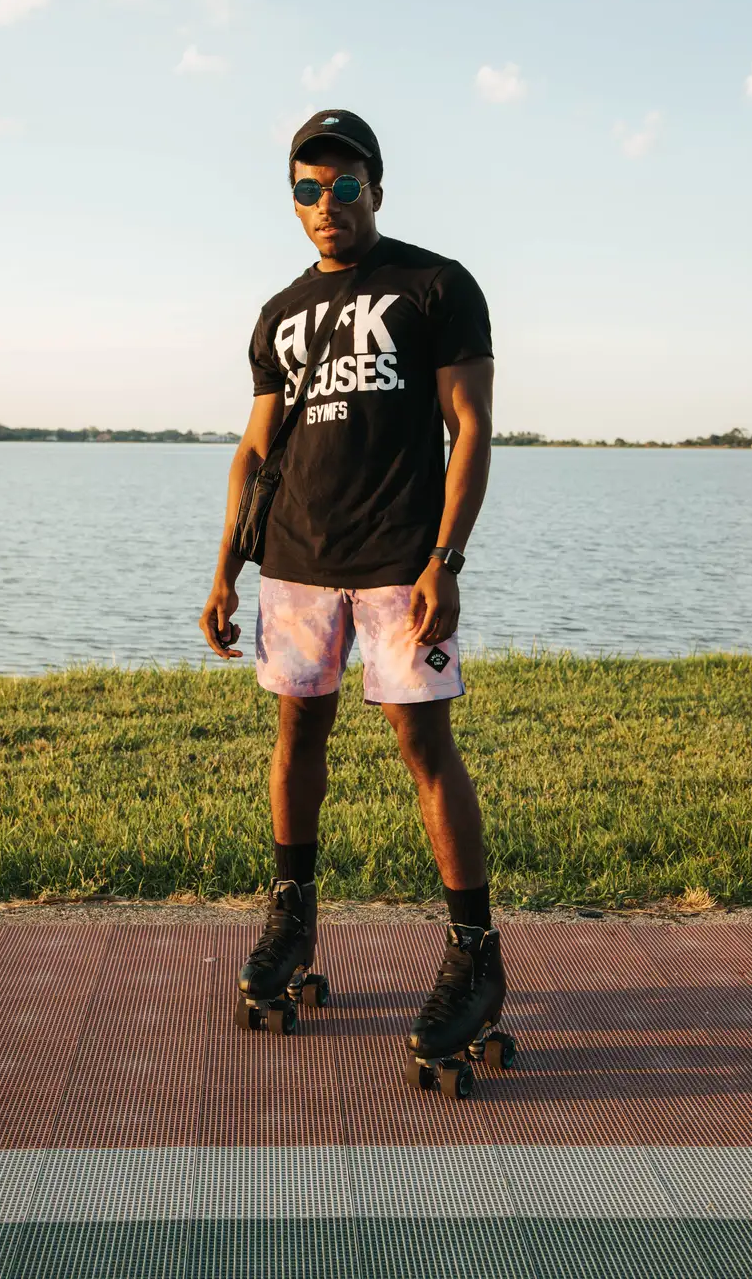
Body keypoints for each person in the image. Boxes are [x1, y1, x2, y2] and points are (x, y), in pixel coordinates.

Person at [199, 109, 510, 1087]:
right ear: (292, 200)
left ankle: (474, 954)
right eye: (307, 189)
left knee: (426, 747)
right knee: (298, 735)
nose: (325, 205)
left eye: (343, 186)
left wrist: (445, 561)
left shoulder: (435, 286)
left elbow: (471, 427)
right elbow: (257, 450)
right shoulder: (278, 312)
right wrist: (224, 567)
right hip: (293, 560)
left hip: (397, 566)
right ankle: (290, 921)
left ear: (375, 187)